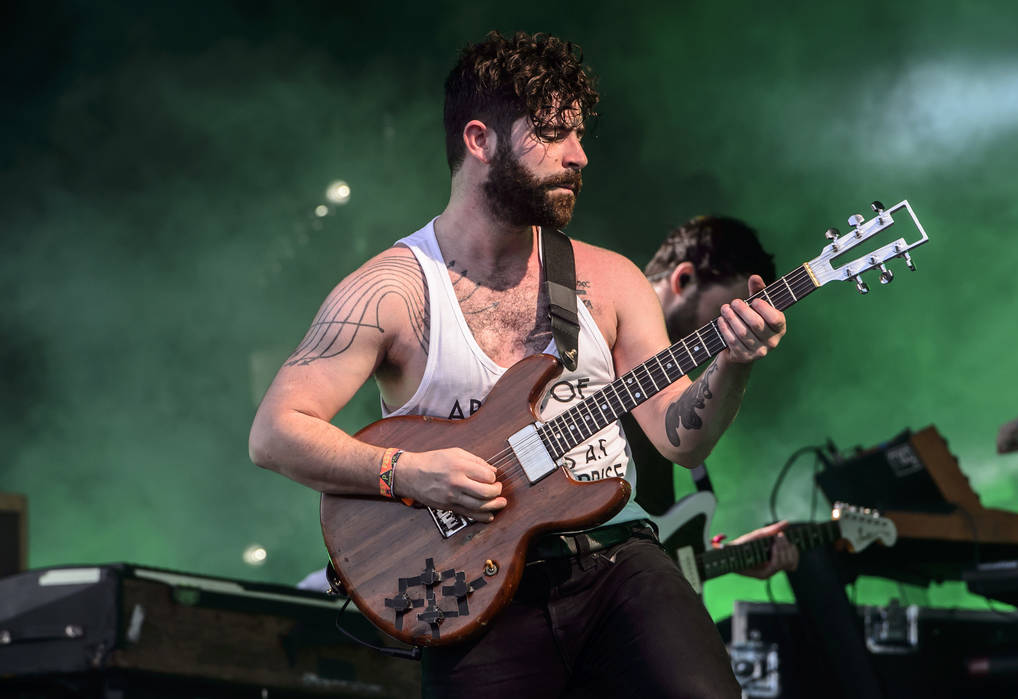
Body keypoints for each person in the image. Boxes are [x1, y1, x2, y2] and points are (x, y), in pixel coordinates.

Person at [249, 31, 786, 698]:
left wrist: (733, 363)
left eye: (579, 133)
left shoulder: (609, 281)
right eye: (553, 134)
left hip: (614, 562)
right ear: (480, 141)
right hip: (469, 590)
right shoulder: (391, 292)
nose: (579, 155)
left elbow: (682, 438)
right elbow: (275, 432)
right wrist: (410, 472)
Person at [631, 215, 799, 582]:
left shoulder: (676, 378)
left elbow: (642, 527)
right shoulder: (592, 342)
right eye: (729, 316)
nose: (737, 332)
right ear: (684, 279)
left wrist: (727, 557)